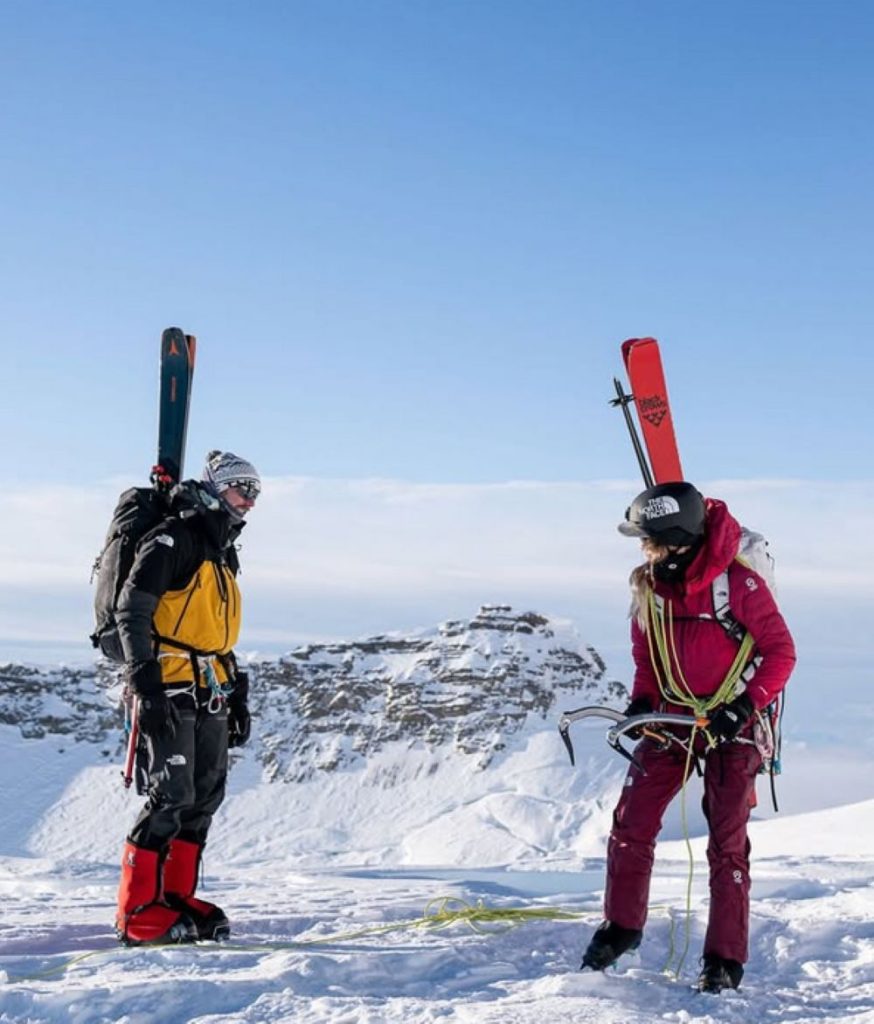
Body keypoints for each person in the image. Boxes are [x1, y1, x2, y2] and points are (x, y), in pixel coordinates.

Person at [581, 481, 796, 993]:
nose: (644, 551)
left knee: (726, 839)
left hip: (735, 724)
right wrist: (641, 701)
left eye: (650, 541)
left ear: (678, 542)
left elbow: (780, 653)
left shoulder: (738, 586)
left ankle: (724, 959)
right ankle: (622, 927)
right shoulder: (649, 587)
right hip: (673, 717)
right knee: (631, 821)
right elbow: (646, 656)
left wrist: (742, 707)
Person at [114, 450, 261, 945]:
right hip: (169, 684)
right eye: (243, 489)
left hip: (211, 686)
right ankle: (137, 913)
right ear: (218, 487)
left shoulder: (222, 550)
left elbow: (217, 632)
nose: (250, 500)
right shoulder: (173, 539)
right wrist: (145, 685)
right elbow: (132, 609)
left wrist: (236, 692)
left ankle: (174, 898)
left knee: (203, 795)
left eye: (256, 492)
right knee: (170, 796)